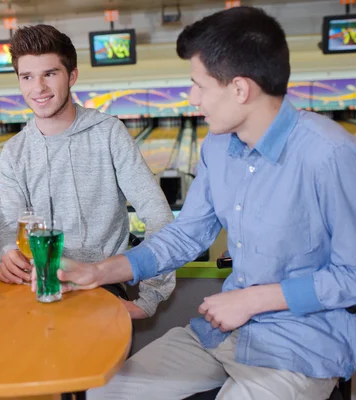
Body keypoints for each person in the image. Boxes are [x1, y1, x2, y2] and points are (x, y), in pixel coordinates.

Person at [52, 7, 356, 400]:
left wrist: (253, 300)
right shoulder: (217, 147)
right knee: (106, 393)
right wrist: (101, 271)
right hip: (222, 335)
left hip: (299, 348)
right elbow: (186, 234)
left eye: (198, 84)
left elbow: (352, 275)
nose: (191, 97)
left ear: (240, 89)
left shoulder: (328, 154)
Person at [0, 24, 175, 319]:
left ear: (72, 76)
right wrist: (5, 253)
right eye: (27, 77)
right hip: (38, 286)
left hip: (100, 284)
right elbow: (8, 227)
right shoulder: (14, 152)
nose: (37, 88)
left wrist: (150, 296)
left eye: (49, 74)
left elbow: (158, 216)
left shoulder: (109, 134)